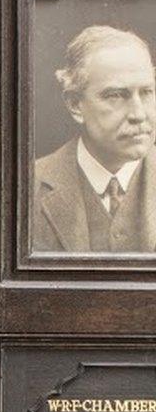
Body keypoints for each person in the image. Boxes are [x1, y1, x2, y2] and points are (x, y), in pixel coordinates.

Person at [33, 26, 156, 254]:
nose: (139, 114)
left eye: (147, 92)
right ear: (75, 104)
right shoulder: (28, 187)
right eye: (116, 95)